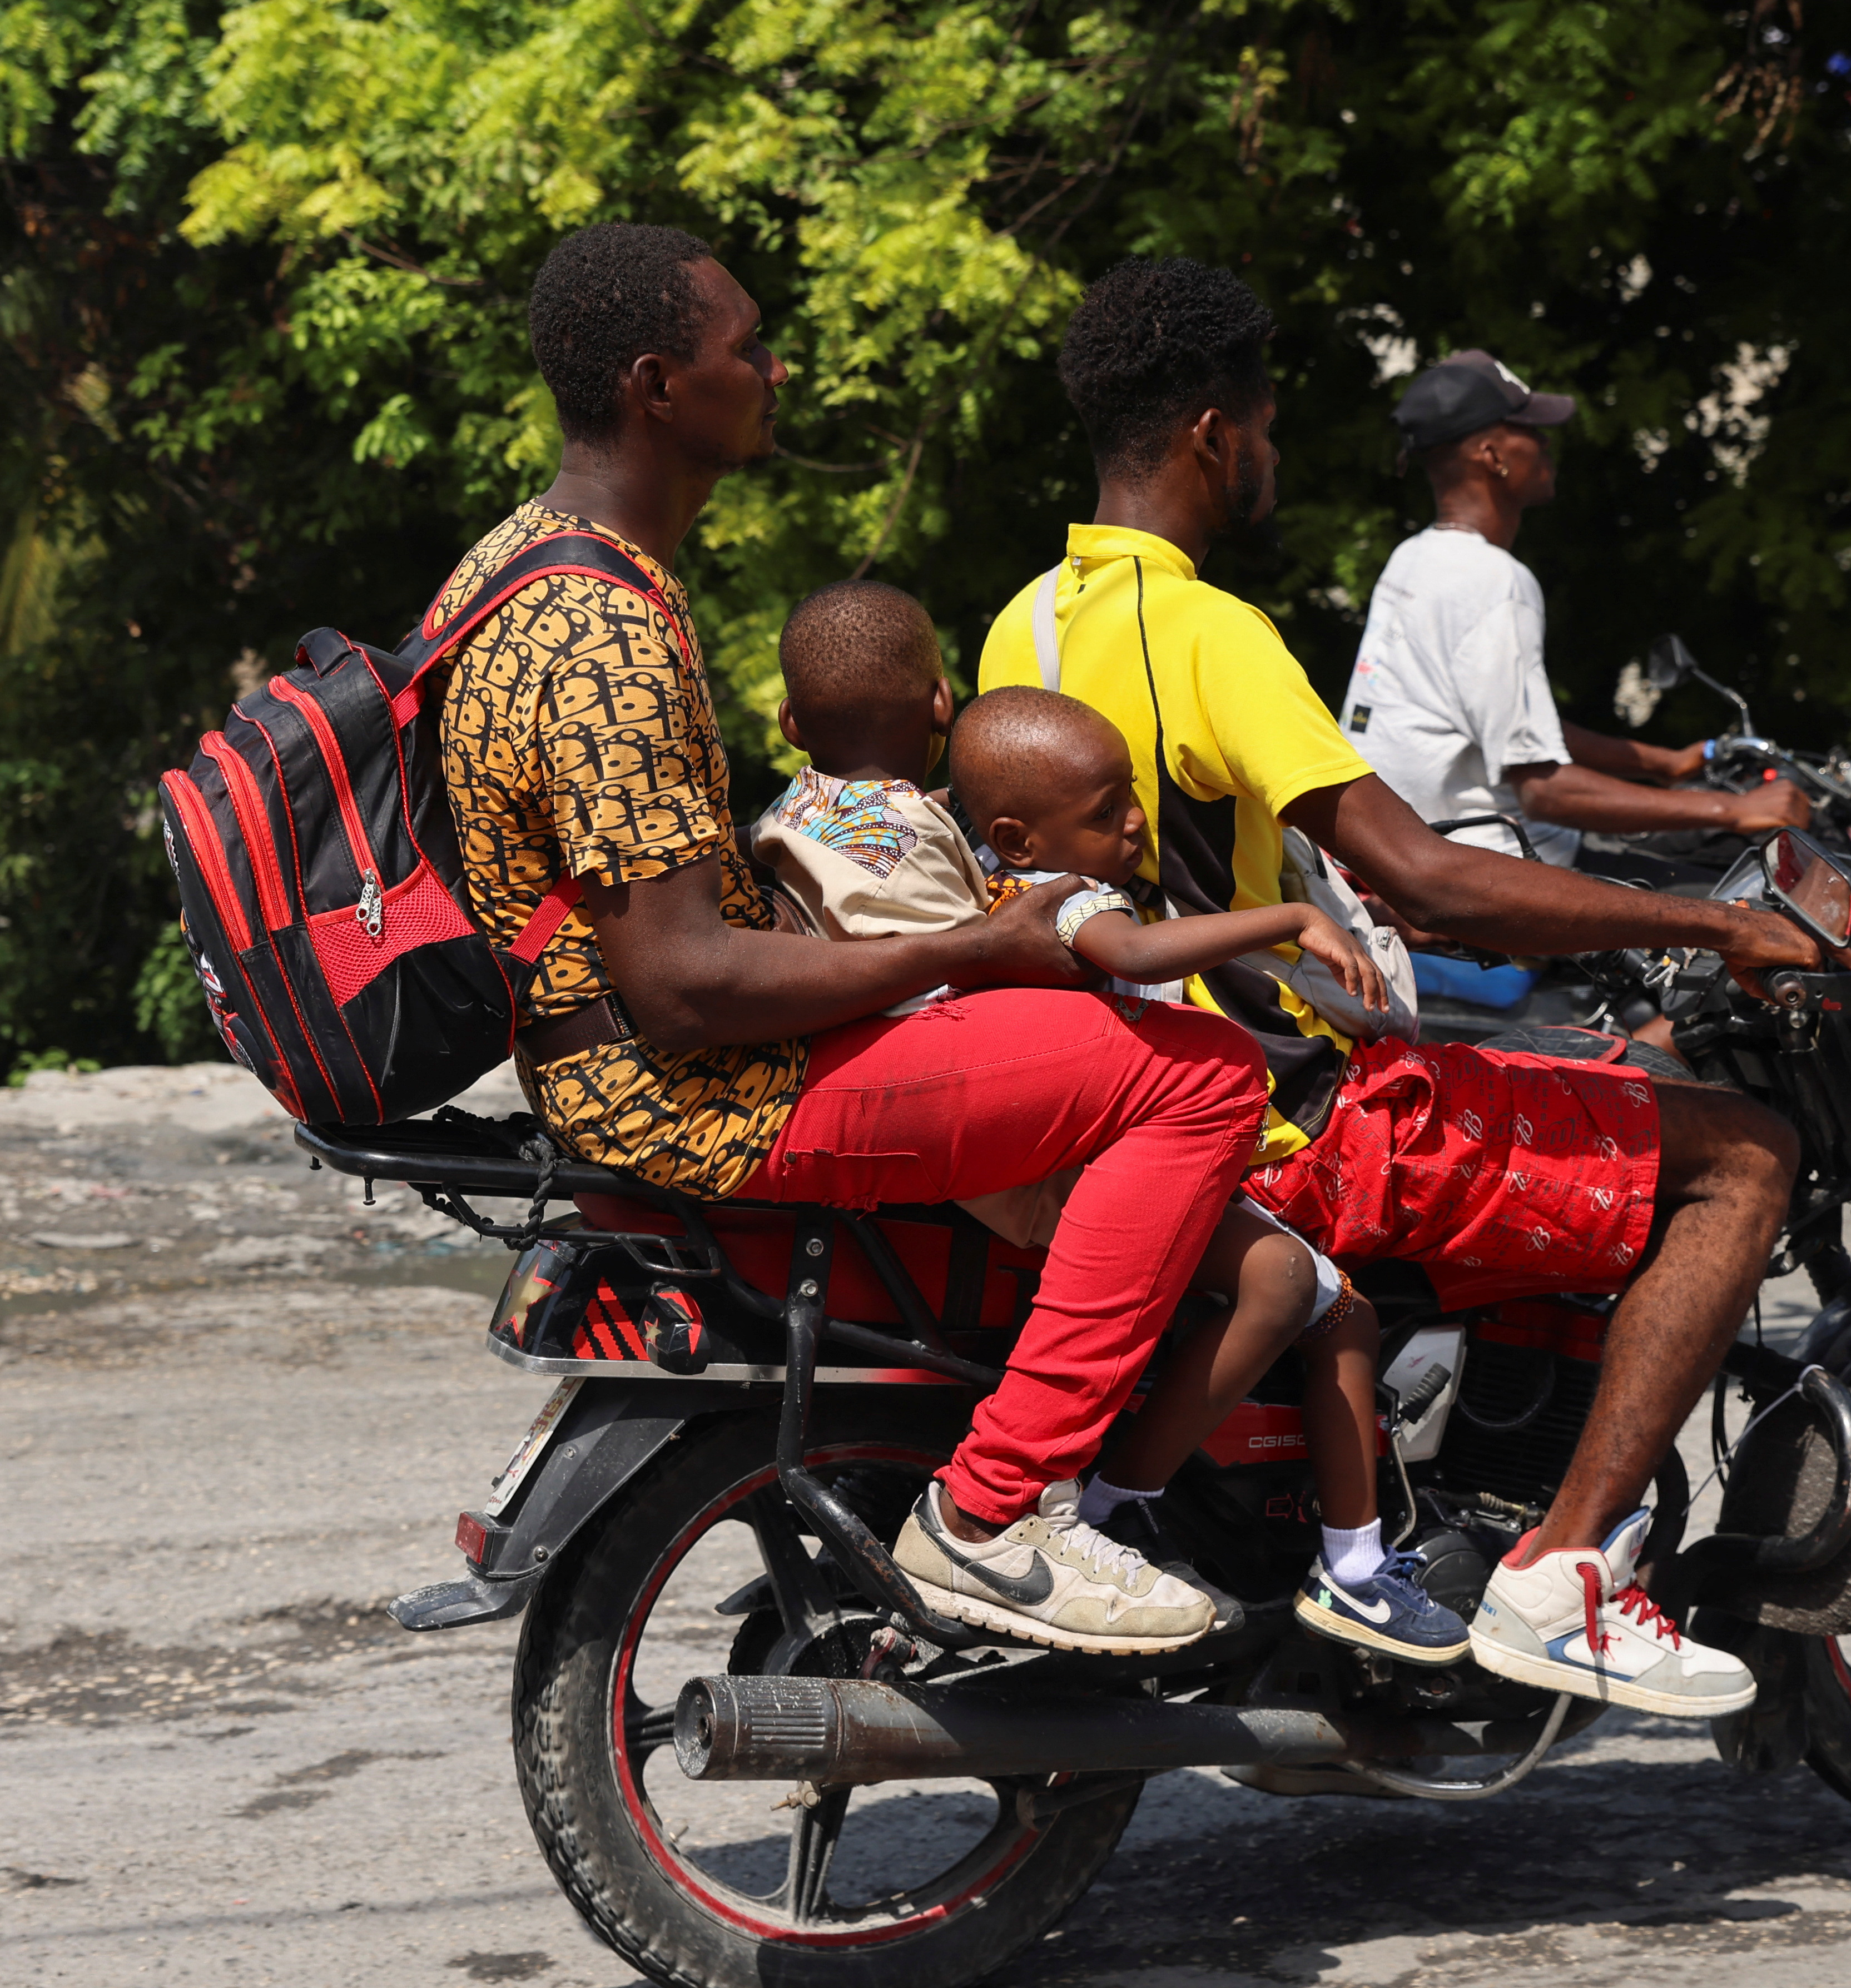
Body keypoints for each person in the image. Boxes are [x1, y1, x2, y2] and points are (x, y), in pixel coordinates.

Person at [975, 258, 1827, 1719]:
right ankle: (1562, 1577)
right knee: (1746, 1154)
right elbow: (1424, 872)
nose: (1274, 453)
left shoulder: (1021, 625)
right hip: (1282, 1122)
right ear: (1207, 435)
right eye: (1265, 424)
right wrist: (1711, 921)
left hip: (1109, 1101)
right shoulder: (1208, 634)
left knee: (1578, 1120)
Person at [437, 221, 1263, 1659]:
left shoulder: (514, 568)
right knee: (1200, 1072)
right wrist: (969, 955)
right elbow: (686, 984)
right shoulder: (600, 633)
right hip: (699, 1093)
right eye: (742, 348)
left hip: (641, 1063)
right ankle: (997, 1508)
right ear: (654, 385)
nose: (770, 368)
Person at [950, 687, 1466, 1663]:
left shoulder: (1003, 884)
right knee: (1306, 1291)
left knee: (1324, 1295)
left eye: (1130, 797)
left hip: (1101, 1158)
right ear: (1018, 836)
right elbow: (1138, 953)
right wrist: (1291, 917)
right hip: (1117, 1172)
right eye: (1106, 813)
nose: (1136, 821)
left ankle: (1318, 1547)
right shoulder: (1068, 902)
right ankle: (1145, 1515)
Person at [1342, 348, 1810, 894]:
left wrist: (1665, 764)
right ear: (1492, 455)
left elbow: (1512, 731)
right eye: (1529, 430)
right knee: (1763, 914)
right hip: (1486, 866)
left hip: (1407, 850)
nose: (1545, 442)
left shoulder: (1416, 557)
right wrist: (1732, 810)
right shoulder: (1496, 581)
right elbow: (1545, 790)